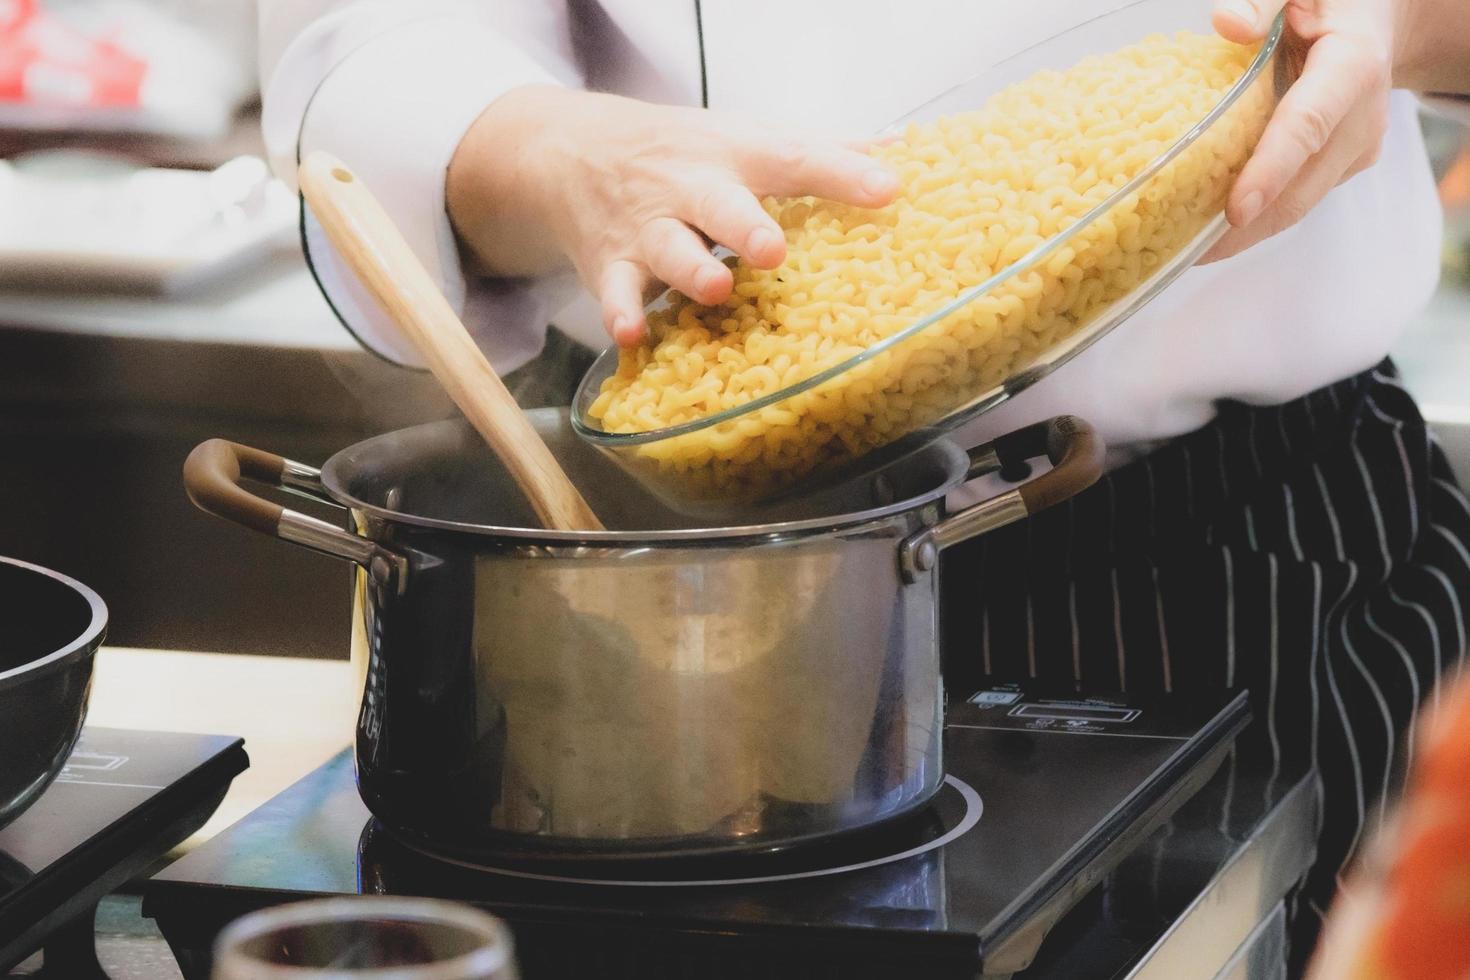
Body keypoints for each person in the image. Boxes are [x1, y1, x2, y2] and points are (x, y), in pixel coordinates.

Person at [258, 0, 1470, 966]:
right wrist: (550, 150)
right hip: (675, 564)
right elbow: (373, 43)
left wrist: (1388, 21)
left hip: (1249, 562)